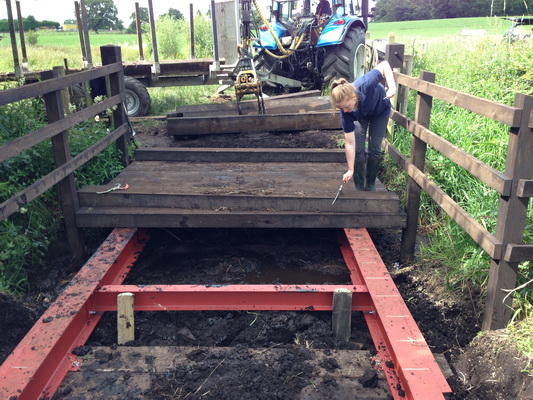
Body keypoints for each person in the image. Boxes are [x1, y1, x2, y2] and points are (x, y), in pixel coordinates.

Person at [329, 61, 396, 191]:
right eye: (341, 108)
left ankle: (370, 184)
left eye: (347, 106)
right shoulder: (346, 113)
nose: (345, 111)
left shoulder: (366, 84)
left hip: (380, 111)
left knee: (375, 148)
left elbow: (385, 65)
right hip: (361, 116)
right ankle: (359, 186)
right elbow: (349, 143)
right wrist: (350, 169)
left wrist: (392, 87)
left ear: (354, 97)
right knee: (358, 149)